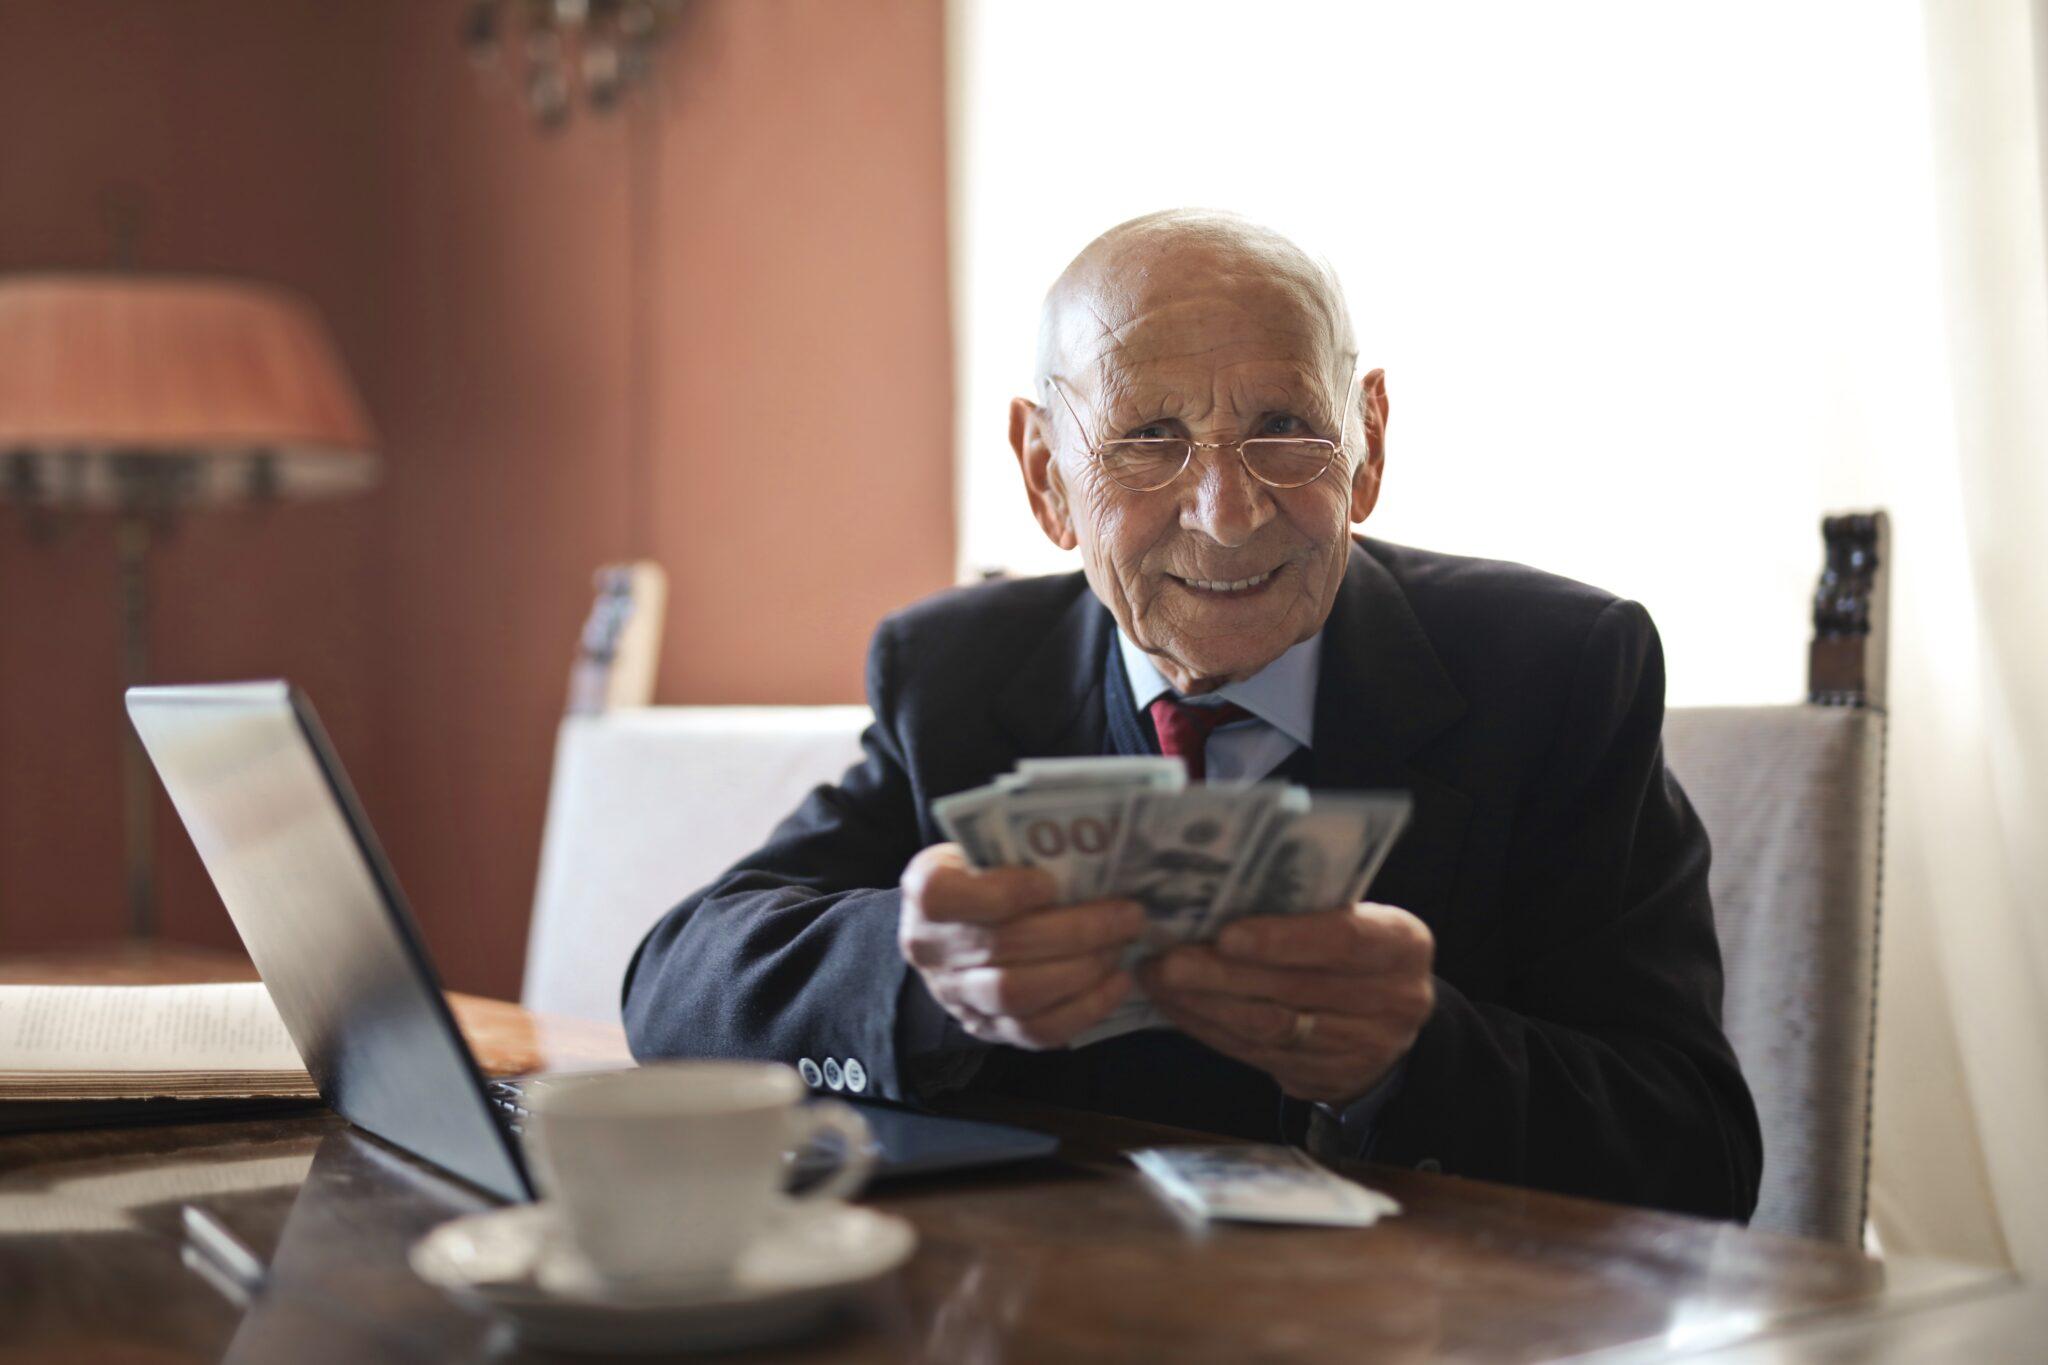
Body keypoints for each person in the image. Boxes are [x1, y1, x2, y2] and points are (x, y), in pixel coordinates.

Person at [623, 210, 1763, 1221]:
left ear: (1365, 444)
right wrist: (925, 980)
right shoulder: (959, 674)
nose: (1224, 515)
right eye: (1147, 440)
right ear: (1043, 475)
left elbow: (1698, 1155)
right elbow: (676, 991)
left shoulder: (1556, 670)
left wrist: (1411, 1058)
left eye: (1282, 427)